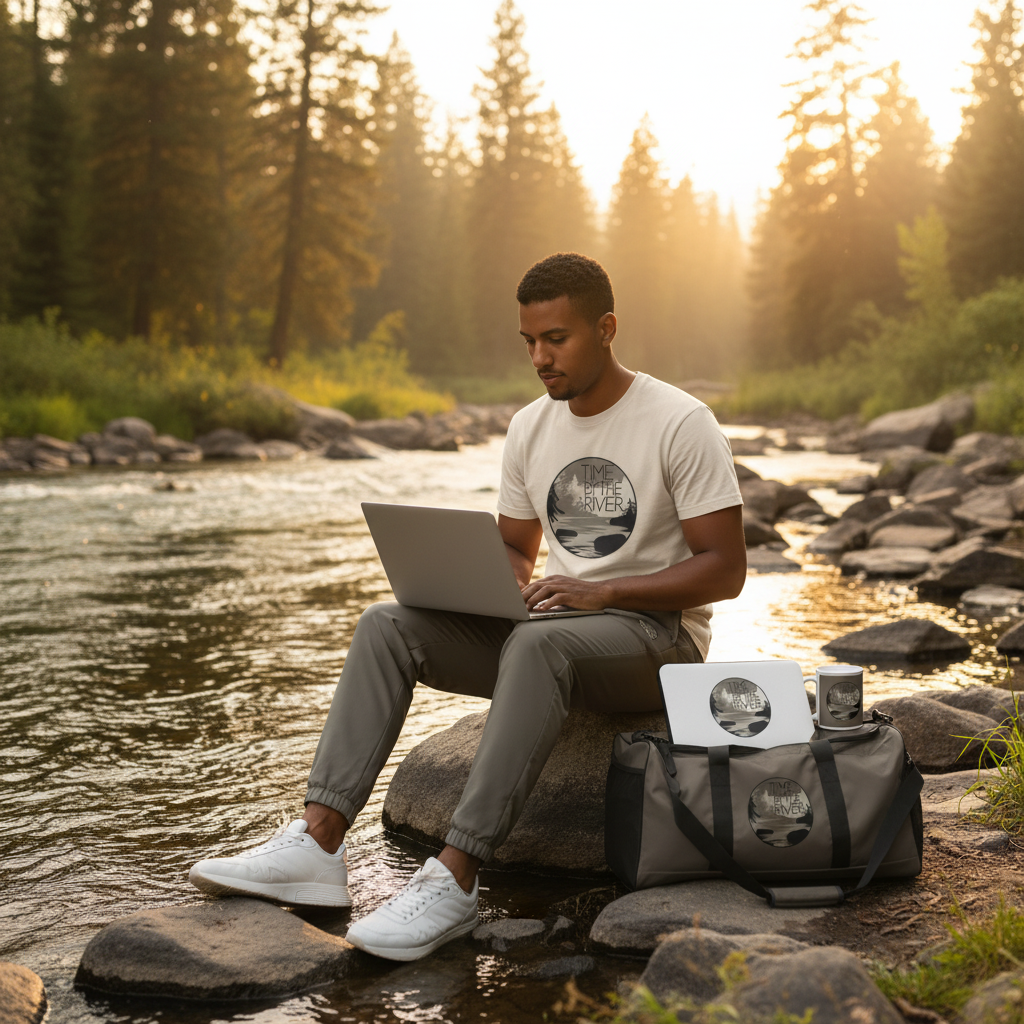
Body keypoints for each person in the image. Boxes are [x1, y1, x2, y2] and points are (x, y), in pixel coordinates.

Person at [189, 252, 746, 961]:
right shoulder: (531, 428)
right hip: (561, 629)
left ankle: (454, 879)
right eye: (529, 342)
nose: (540, 358)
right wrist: (502, 584)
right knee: (387, 626)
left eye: (557, 338)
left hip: (657, 638)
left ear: (606, 329)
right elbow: (518, 547)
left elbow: (725, 570)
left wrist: (602, 590)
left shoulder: (678, 421)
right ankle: (317, 843)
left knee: (540, 645)